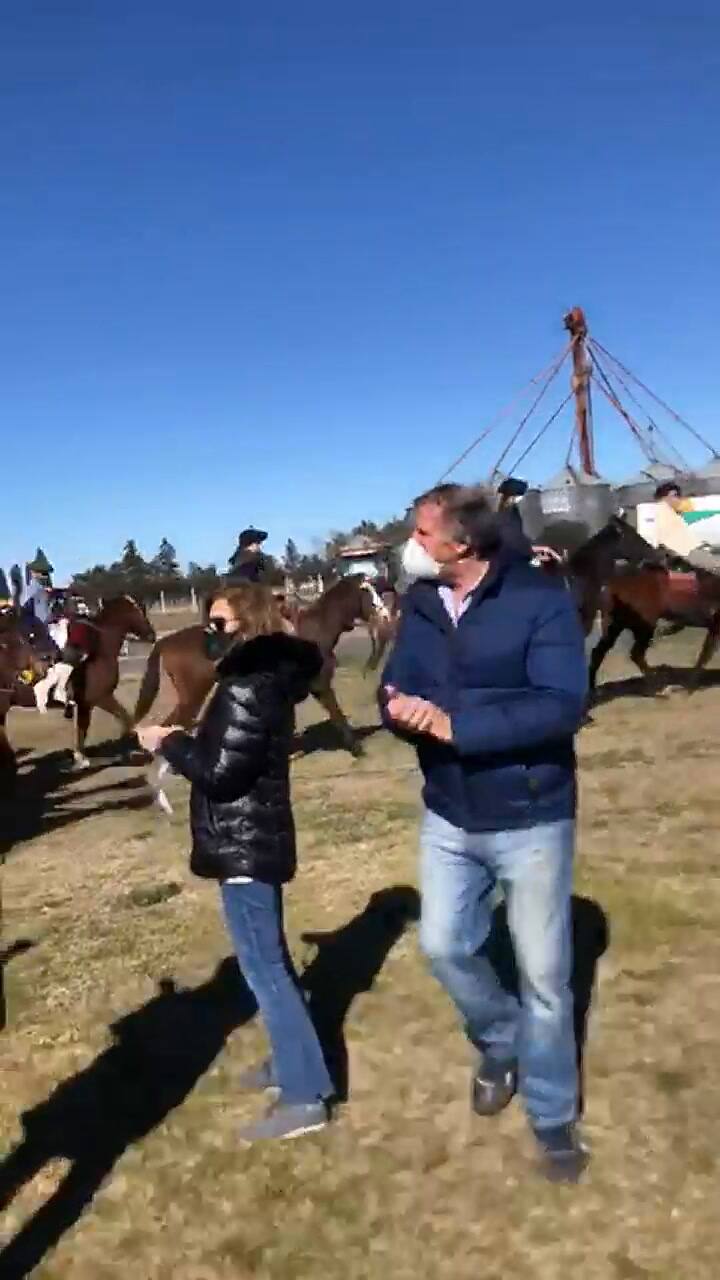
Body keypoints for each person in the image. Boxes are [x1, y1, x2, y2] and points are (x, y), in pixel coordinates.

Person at [381, 483, 589, 1181]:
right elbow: (394, 682)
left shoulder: (539, 600)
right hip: (448, 809)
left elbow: (563, 704)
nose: (411, 545)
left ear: (463, 543)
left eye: (421, 533)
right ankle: (501, 1040)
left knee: (546, 977)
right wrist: (398, 707)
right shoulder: (419, 604)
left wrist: (457, 726)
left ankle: (554, 1115)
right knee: (443, 945)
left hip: (530, 815)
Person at [137, 584, 334, 1142]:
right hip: (249, 837)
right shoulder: (259, 681)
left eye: (219, 625)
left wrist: (167, 742)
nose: (210, 635)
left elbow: (221, 773)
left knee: (264, 971)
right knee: (270, 966)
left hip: (246, 843)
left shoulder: (247, 686)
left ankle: (304, 1096)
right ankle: (292, 1060)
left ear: (246, 627)